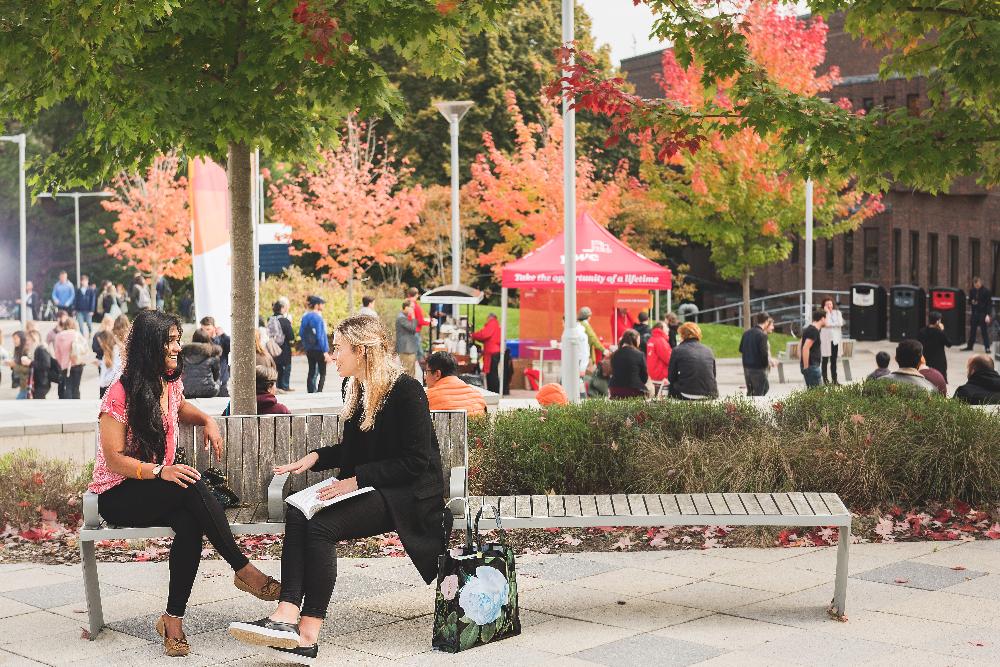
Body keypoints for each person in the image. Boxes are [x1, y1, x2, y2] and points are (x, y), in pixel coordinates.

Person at [229, 315, 448, 663]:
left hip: (409, 493)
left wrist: (356, 481)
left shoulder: (406, 391)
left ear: (361, 351)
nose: (333, 355)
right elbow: (355, 451)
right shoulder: (355, 388)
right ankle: (286, 613)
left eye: (338, 348)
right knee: (298, 511)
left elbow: (417, 462)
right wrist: (314, 457)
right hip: (374, 485)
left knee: (322, 526)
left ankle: (308, 633)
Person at [90, 310, 280, 657]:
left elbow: (179, 408)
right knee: (189, 482)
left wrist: (207, 418)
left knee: (190, 523)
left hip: (153, 487)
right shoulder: (119, 394)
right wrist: (160, 471)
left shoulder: (168, 380)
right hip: (119, 492)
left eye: (178, 339)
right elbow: (114, 458)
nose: (178, 347)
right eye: (171, 341)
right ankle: (243, 568)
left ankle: (172, 621)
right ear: (151, 345)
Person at [424, 351, 486, 416]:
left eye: (427, 372)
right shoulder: (478, 397)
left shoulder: (427, 398)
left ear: (437, 374)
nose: (425, 377)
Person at [667, 322, 718, 400]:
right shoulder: (708, 350)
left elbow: (671, 377)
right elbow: (713, 375)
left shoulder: (677, 350)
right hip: (709, 392)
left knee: (671, 387)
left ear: (682, 335)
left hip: (686, 393)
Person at [299, 296, 329, 393]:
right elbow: (321, 336)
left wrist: (306, 345)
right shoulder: (318, 318)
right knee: (323, 372)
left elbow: (301, 333)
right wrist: (325, 351)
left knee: (311, 371)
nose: (323, 305)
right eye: (321, 304)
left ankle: (311, 391)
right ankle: (319, 392)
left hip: (310, 349)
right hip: (319, 349)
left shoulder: (305, 317)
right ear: (316, 305)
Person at [181, 330, 222, 399]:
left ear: (193, 339)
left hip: (186, 391)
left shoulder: (184, 353)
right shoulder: (212, 354)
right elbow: (216, 376)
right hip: (209, 391)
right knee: (218, 380)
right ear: (208, 339)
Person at [609, 329, 649, 399]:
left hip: (614, 389)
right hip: (633, 390)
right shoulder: (639, 354)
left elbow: (613, 371)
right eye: (639, 340)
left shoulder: (614, 354)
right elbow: (644, 378)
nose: (639, 342)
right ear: (635, 340)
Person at [54, 317, 87, 399]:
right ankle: (77, 405)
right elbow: (85, 348)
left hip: (65, 365)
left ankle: (68, 405)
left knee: (67, 386)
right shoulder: (77, 334)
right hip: (77, 363)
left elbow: (57, 353)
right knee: (76, 387)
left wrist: (61, 363)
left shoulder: (58, 336)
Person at [739, 312, 771, 396]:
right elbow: (764, 353)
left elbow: (741, 349)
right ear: (767, 321)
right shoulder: (762, 335)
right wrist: (766, 366)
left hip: (746, 368)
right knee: (759, 394)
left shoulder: (746, 333)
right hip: (758, 369)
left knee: (751, 392)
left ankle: (748, 408)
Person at [268, 298, 295, 392]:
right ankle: (285, 386)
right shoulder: (284, 320)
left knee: (277, 367)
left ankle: (277, 386)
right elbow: (291, 336)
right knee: (286, 367)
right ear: (282, 308)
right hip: (284, 347)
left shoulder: (270, 319)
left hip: (272, 347)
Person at [200, 317, 231, 397]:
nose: (205, 332)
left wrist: (223, 334)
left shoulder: (222, 340)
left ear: (214, 328)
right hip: (206, 383)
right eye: (203, 330)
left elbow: (232, 347)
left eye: (208, 329)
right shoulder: (201, 341)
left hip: (222, 383)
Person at [470, 313, 501, 392]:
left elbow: (484, 334)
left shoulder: (492, 324)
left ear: (490, 317)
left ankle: (493, 391)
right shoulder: (496, 324)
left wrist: (473, 335)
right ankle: (494, 390)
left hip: (492, 352)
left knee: (491, 374)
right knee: (493, 373)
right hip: (494, 351)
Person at [918, 311, 952, 378]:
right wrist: (942, 330)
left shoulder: (922, 331)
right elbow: (949, 344)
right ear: (937, 322)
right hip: (938, 362)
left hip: (926, 359)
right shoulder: (940, 333)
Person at [800, 309, 827, 389]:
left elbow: (800, 344)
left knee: (813, 394)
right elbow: (805, 348)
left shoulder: (810, 328)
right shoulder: (813, 331)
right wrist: (806, 367)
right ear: (822, 319)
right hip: (812, 366)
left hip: (811, 366)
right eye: (826, 318)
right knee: (818, 395)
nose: (827, 321)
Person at [964, 276, 992, 352]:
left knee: (984, 331)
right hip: (974, 313)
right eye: (975, 285)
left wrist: (988, 314)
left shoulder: (986, 291)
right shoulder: (972, 291)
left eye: (977, 284)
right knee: (972, 331)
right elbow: (969, 301)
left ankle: (987, 347)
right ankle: (970, 346)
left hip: (982, 313)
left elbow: (989, 304)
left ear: (980, 282)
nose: (976, 286)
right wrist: (972, 302)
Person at [820, 298, 844, 385]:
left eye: (830, 304)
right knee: (825, 360)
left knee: (834, 360)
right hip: (826, 339)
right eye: (827, 304)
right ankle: (825, 380)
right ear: (824, 306)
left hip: (835, 340)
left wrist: (831, 324)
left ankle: (835, 380)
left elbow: (840, 323)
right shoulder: (822, 314)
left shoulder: (838, 313)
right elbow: (826, 324)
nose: (829, 306)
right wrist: (828, 314)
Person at [95, 328, 124, 399]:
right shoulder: (109, 352)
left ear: (106, 341)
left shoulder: (115, 351)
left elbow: (116, 371)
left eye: (101, 342)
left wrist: (104, 382)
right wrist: (101, 363)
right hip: (107, 387)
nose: (100, 344)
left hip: (110, 387)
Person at [646, 321, 672, 396]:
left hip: (653, 375)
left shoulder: (652, 339)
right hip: (661, 376)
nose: (668, 329)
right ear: (661, 329)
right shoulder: (661, 341)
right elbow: (669, 359)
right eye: (666, 327)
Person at [27, 330, 54, 399]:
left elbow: (46, 365)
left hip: (42, 383)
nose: (27, 342)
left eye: (28, 340)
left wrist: (30, 362)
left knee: (38, 403)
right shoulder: (34, 350)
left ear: (34, 339)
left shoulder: (40, 349)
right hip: (39, 382)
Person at [395, 301, 419, 377]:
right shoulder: (401, 318)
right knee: (408, 372)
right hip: (406, 350)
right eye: (411, 307)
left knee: (410, 371)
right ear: (406, 307)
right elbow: (413, 328)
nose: (413, 309)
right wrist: (413, 317)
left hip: (408, 349)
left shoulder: (403, 317)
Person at [406, 287, 429, 360]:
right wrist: (429, 322)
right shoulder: (415, 306)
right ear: (416, 295)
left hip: (408, 331)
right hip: (415, 331)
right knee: (419, 353)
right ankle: (420, 370)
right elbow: (419, 321)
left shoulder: (406, 304)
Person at [7, 331, 31, 399]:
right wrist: (11, 365)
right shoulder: (17, 350)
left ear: (22, 338)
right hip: (22, 384)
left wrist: (14, 365)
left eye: (15, 338)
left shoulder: (26, 351)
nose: (14, 341)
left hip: (28, 384)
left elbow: (29, 368)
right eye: (13, 339)